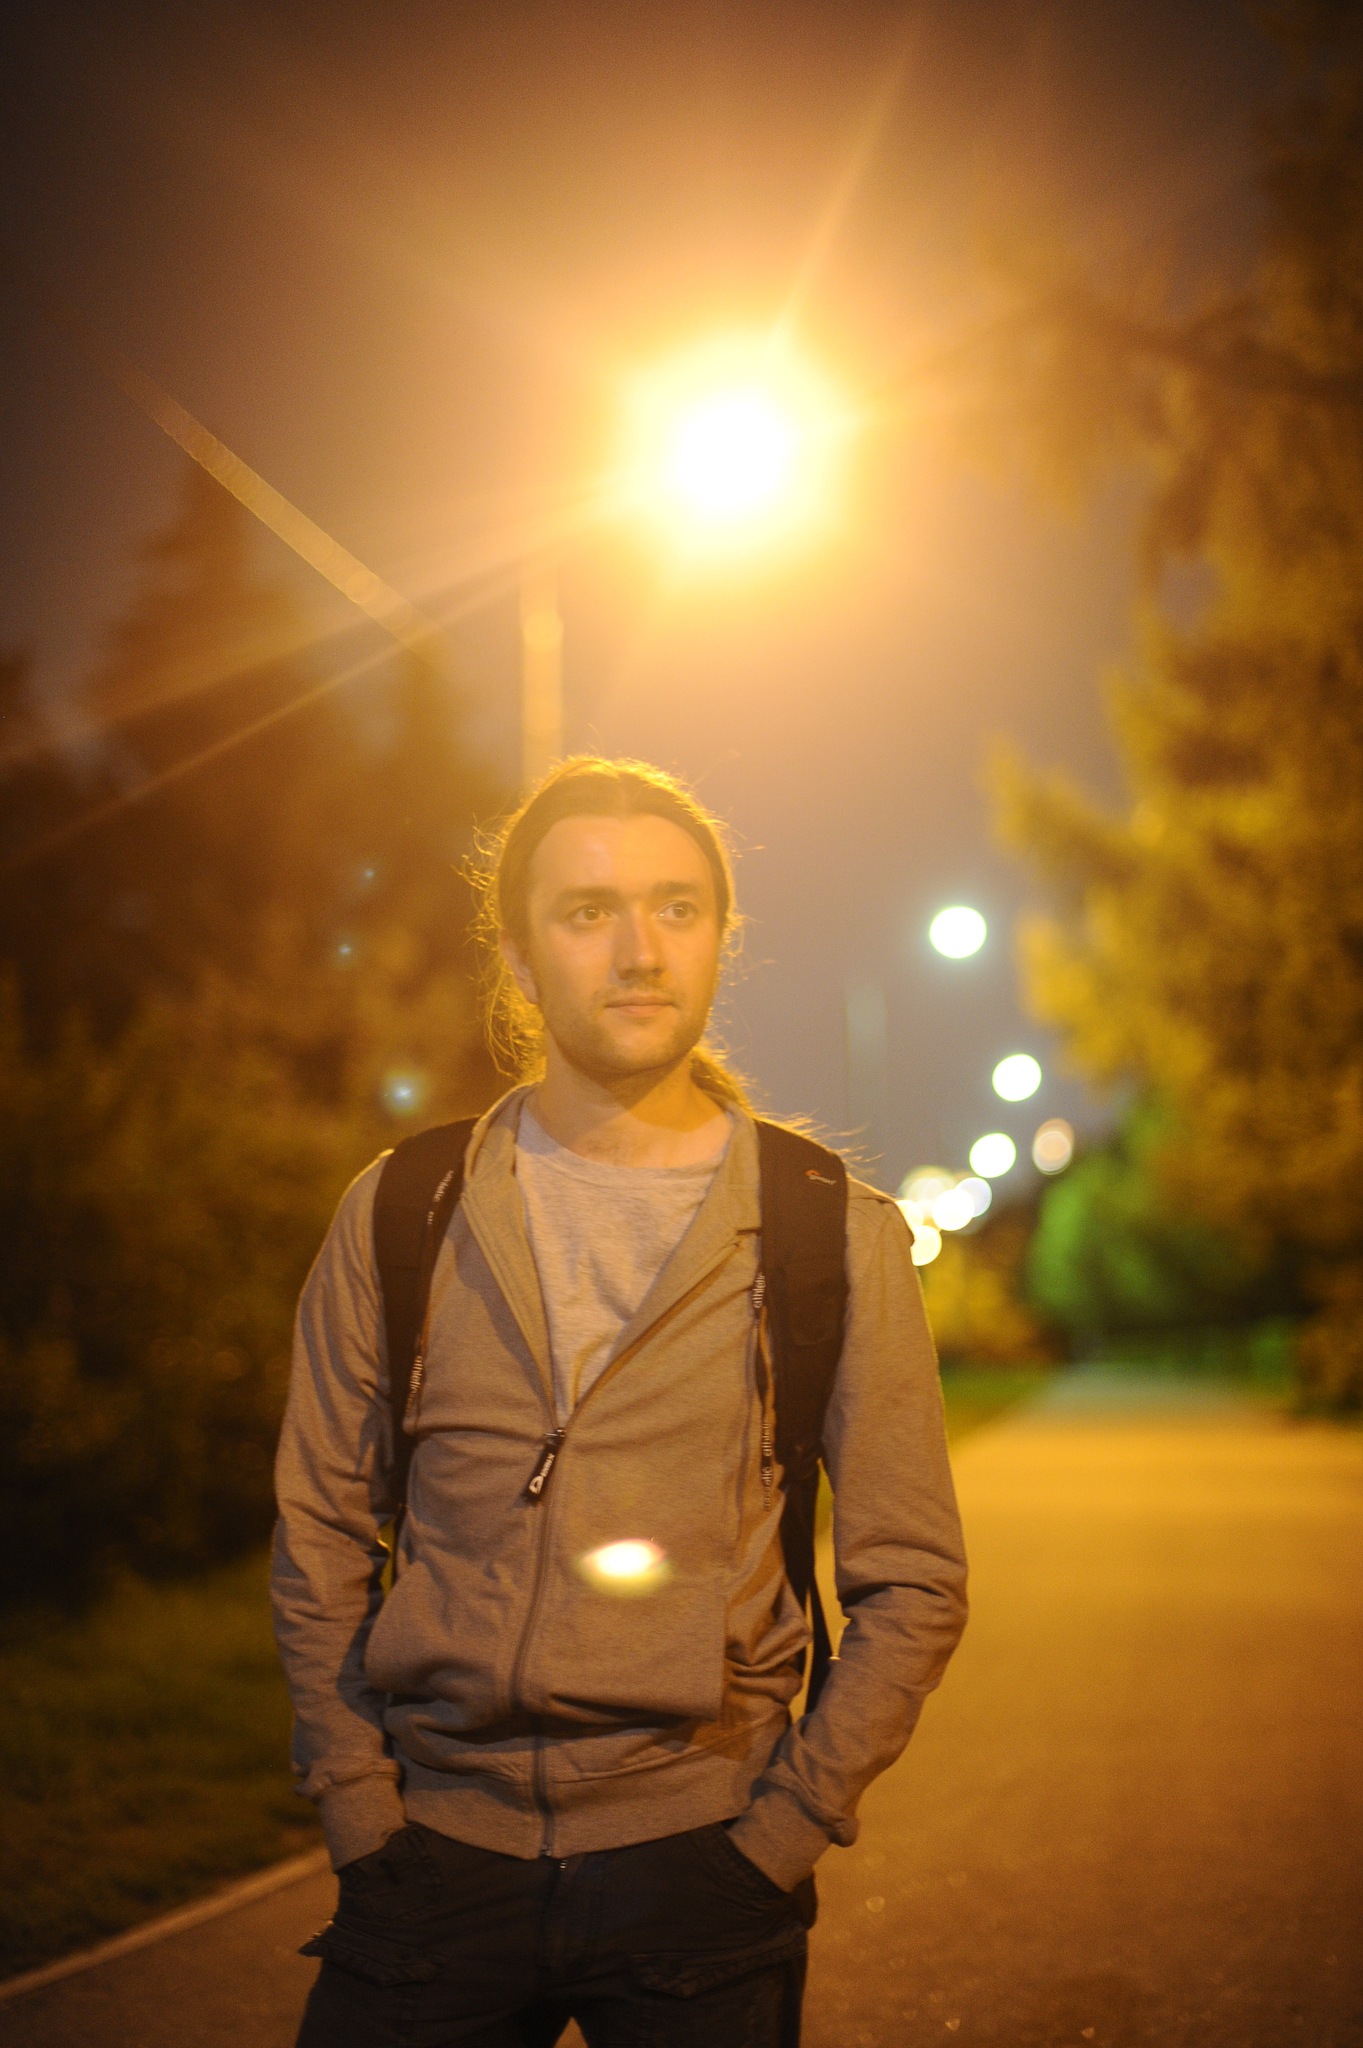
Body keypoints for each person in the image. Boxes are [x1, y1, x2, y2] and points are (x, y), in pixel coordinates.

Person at [272, 756, 967, 2047]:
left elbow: (914, 1579)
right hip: (431, 1866)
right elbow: (319, 1528)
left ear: (720, 939)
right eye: (589, 911)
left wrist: (782, 1834)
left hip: (705, 1870)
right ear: (520, 959)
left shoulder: (828, 1230)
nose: (640, 949)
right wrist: (359, 1808)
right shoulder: (402, 1209)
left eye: (676, 908)